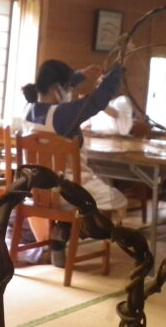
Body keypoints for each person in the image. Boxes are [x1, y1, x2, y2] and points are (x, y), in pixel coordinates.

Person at [19, 60, 129, 265]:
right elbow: (98, 100)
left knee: (86, 198)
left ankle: (62, 231)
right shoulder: (61, 114)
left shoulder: (28, 109)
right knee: (118, 201)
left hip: (38, 190)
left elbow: (60, 88)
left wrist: (81, 74)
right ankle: (65, 231)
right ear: (56, 89)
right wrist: (117, 70)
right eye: (68, 87)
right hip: (70, 191)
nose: (71, 92)